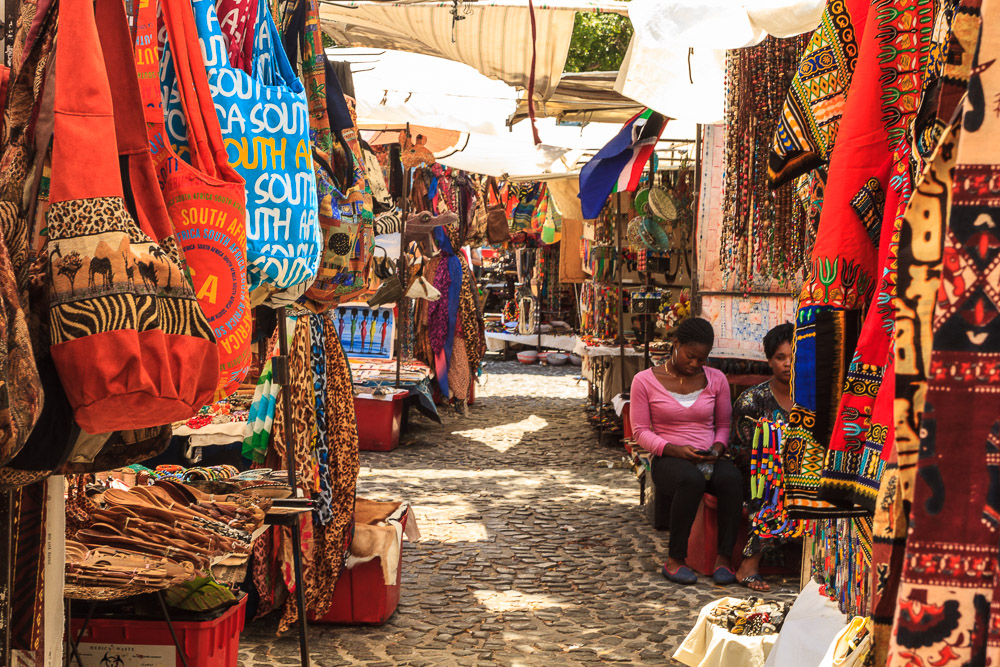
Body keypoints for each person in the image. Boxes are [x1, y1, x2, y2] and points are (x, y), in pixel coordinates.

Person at [629, 317, 741, 585]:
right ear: (676, 344)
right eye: (690, 357)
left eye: (701, 360)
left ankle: (723, 558)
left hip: (707, 455)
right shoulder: (644, 381)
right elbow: (640, 431)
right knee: (689, 480)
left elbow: (724, 424)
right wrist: (674, 449)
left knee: (732, 479)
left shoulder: (717, 380)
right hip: (668, 458)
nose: (695, 364)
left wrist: (717, 447)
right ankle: (676, 560)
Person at [728, 323, 795, 592]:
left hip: (803, 473)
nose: (788, 364)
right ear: (769, 360)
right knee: (773, 481)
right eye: (781, 358)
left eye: (794, 357)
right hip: (757, 478)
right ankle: (749, 564)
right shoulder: (752, 401)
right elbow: (740, 453)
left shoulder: (813, 399)